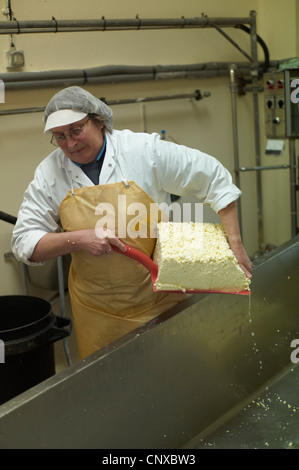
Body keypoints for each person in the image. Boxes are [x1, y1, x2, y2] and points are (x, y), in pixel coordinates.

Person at [12, 86, 252, 359]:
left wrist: (235, 245)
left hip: (157, 301)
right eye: (59, 137)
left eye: (76, 130)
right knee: (110, 390)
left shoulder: (142, 151)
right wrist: (79, 239)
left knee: (171, 375)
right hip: (95, 313)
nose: (69, 144)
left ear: (99, 121)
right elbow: (24, 242)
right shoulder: (50, 173)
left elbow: (214, 178)